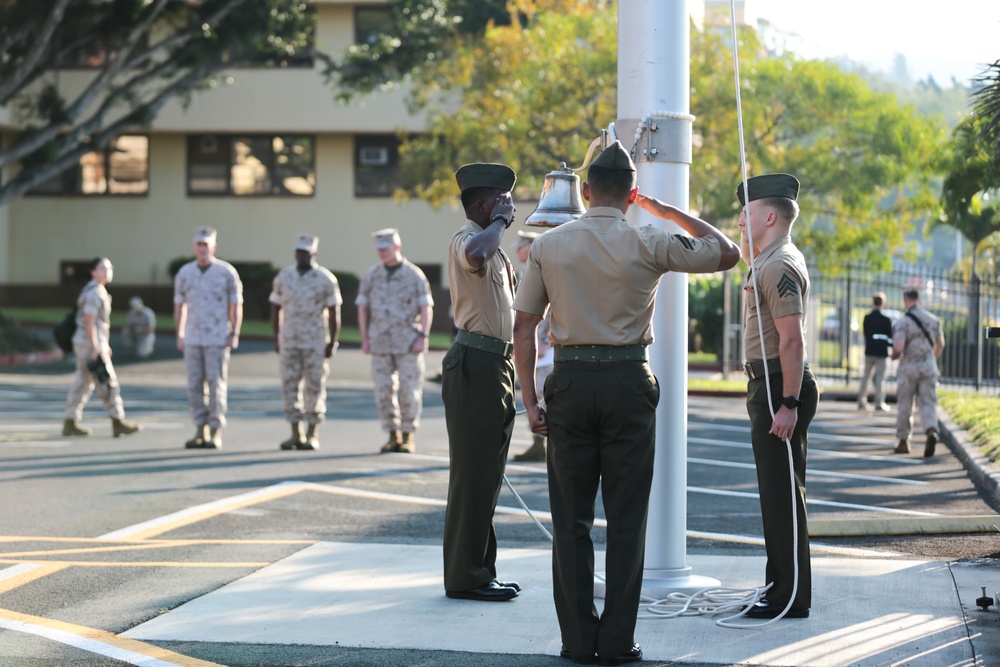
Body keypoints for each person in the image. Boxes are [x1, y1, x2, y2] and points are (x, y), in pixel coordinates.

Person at [513, 141, 741, 664]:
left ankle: (577, 640)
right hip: (626, 382)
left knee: (570, 520)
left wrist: (529, 401)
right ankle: (616, 642)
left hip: (569, 383)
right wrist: (663, 210)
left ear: (586, 192)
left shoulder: (549, 245)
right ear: (630, 195)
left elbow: (524, 328)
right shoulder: (650, 239)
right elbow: (727, 252)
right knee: (626, 519)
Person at [737, 173, 818, 620]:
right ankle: (780, 589)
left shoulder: (779, 264)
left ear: (769, 215)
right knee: (776, 495)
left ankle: (788, 597)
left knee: (783, 496)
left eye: (746, 213)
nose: (740, 221)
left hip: (778, 386)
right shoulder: (766, 259)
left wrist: (788, 403)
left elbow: (792, 341)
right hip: (768, 383)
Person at [442, 162, 521, 603]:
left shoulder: (497, 248)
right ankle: (466, 576)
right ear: (479, 204)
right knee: (473, 475)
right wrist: (498, 224)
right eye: (500, 201)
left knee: (487, 475)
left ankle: (480, 570)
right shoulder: (467, 240)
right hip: (475, 362)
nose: (507, 207)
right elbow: (475, 254)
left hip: (496, 366)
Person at [356, 228, 434, 454]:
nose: (381, 253)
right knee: (383, 391)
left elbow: (426, 306)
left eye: (386, 249)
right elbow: (363, 308)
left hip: (408, 342)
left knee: (409, 391)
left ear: (397, 247)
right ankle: (392, 434)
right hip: (380, 342)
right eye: (379, 249)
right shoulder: (372, 275)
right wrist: (365, 338)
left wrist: (423, 336)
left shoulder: (414, 275)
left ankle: (408, 435)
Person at [270, 234, 342, 451]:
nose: (301, 255)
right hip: (290, 340)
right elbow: (275, 307)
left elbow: (334, 311)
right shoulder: (284, 276)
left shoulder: (325, 279)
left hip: (315, 341)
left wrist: (333, 342)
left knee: (315, 386)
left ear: (314, 254)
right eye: (299, 252)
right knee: (289, 385)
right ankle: (295, 433)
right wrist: (277, 337)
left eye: (306, 252)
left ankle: (312, 434)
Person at [173, 226, 243, 449]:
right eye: (199, 244)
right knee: (194, 385)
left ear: (214, 247)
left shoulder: (226, 272)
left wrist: (234, 332)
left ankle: (215, 430)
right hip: (193, 337)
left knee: (215, 385)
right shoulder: (185, 273)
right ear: (194, 247)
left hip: (217, 338)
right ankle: (199, 429)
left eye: (206, 244)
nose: (202, 249)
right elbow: (179, 305)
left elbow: (236, 305)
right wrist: (180, 333)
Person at [62, 258, 143, 438]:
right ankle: (117, 421)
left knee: (83, 382)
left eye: (109, 268)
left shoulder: (96, 290)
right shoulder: (94, 292)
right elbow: (89, 321)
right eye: (103, 268)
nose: (107, 271)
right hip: (89, 344)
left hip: (88, 343)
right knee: (107, 381)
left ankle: (70, 421)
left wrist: (102, 345)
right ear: (93, 271)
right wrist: (96, 348)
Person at [511, 230, 551, 463]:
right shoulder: (525, 271)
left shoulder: (542, 268)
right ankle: (538, 444)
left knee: (545, 394)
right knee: (536, 393)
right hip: (532, 343)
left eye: (521, 246)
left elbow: (556, 305)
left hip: (544, 345)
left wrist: (545, 339)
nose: (517, 250)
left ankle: (545, 443)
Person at [891, 287, 944, 457]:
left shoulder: (903, 323)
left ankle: (903, 440)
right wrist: (931, 358)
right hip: (928, 367)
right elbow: (940, 343)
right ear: (919, 298)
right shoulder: (933, 320)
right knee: (928, 402)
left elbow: (898, 347)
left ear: (905, 299)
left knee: (905, 403)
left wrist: (894, 355)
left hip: (909, 369)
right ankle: (931, 430)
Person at [857, 292, 893, 412]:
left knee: (866, 377)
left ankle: (861, 400)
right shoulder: (886, 320)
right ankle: (879, 402)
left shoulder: (867, 318)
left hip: (869, 351)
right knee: (880, 378)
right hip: (882, 352)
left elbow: (866, 334)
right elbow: (890, 337)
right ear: (882, 303)